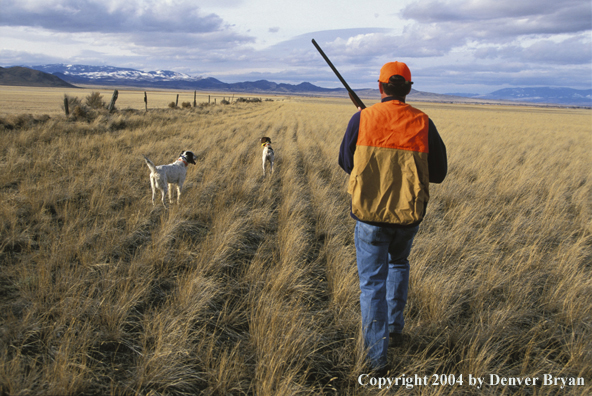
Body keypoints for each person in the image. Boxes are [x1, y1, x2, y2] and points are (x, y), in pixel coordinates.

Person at [338, 62, 447, 375]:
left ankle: (376, 363)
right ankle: (395, 331)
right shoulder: (424, 122)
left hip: (370, 215)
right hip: (408, 216)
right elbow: (438, 173)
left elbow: (346, 162)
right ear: (409, 89)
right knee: (399, 264)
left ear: (380, 86)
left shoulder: (362, 118)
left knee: (372, 285)